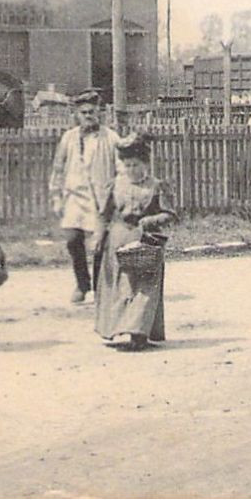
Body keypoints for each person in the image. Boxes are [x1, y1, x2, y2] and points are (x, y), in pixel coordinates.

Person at [95, 134, 176, 351]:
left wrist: (149, 221)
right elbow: (104, 214)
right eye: (127, 165)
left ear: (145, 164)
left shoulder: (156, 186)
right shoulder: (115, 185)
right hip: (118, 240)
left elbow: (170, 214)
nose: (131, 169)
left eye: (136, 165)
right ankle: (116, 329)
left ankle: (139, 334)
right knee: (119, 287)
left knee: (145, 287)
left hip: (146, 241)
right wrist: (99, 237)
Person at [48, 90, 120, 304]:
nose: (88, 115)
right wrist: (56, 196)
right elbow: (58, 169)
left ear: (100, 112)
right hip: (74, 198)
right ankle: (82, 283)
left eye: (92, 111)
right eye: (84, 112)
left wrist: (116, 196)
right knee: (72, 239)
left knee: (100, 244)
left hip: (100, 198)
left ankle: (100, 288)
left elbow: (121, 168)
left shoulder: (111, 138)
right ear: (77, 114)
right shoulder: (68, 138)